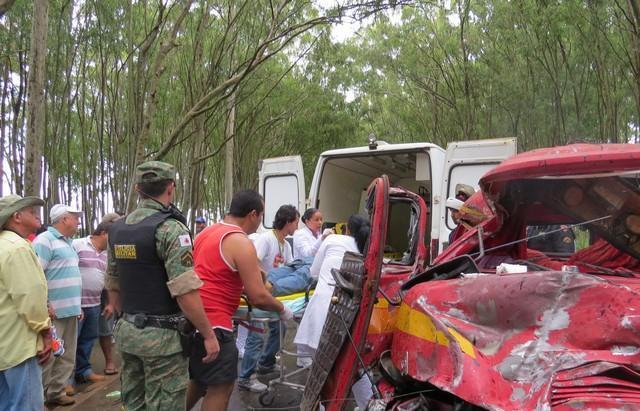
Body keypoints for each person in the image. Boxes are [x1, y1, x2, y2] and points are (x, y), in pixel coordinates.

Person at [105, 161, 219, 411]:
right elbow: (185, 292)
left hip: (127, 334)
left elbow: (113, 283)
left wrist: (129, 319)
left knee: (133, 403)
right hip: (163, 341)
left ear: (137, 188)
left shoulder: (117, 229)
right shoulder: (170, 228)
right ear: (171, 187)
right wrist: (209, 335)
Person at [187, 190, 293, 411]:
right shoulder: (240, 241)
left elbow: (215, 273)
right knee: (221, 388)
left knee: (198, 380)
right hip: (216, 323)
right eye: (261, 216)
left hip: (193, 318)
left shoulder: (207, 233)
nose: (260, 223)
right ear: (253, 214)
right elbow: (258, 296)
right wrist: (282, 309)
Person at [294, 214, 372, 410]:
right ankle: (368, 405)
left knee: (323, 369)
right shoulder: (368, 250)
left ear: (347, 229)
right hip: (349, 314)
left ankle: (323, 407)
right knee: (353, 366)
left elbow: (313, 272)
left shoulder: (333, 239)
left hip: (324, 310)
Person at [238, 204, 299, 393]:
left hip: (274, 293)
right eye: (296, 222)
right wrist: (262, 284)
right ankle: (246, 377)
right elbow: (251, 264)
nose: (297, 226)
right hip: (258, 292)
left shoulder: (286, 245)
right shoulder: (266, 240)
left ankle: (265, 363)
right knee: (256, 333)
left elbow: (288, 270)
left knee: (280, 327)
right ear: (288, 222)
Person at [0, 194, 52, 411]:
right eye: (31, 211)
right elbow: (30, 297)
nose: (37, 215)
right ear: (17, 217)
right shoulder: (18, 248)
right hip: (19, 344)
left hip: (5, 345)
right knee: (26, 405)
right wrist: (45, 330)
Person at [33, 203, 83, 406]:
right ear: (64, 219)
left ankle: (57, 392)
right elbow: (36, 276)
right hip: (53, 312)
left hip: (70, 309)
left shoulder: (68, 242)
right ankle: (40, 398)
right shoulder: (44, 241)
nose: (78, 221)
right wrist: (45, 304)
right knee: (50, 357)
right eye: (75, 217)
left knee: (67, 355)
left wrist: (77, 306)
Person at [71, 221, 114, 385]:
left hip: (95, 303)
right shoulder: (78, 244)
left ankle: (84, 371)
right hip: (77, 304)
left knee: (88, 339)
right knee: (71, 342)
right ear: (103, 233)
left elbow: (109, 280)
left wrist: (110, 303)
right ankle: (65, 380)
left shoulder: (107, 254)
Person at [97, 212, 122, 376]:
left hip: (111, 295)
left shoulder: (115, 247)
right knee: (103, 330)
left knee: (112, 328)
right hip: (91, 298)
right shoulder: (80, 245)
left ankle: (113, 360)